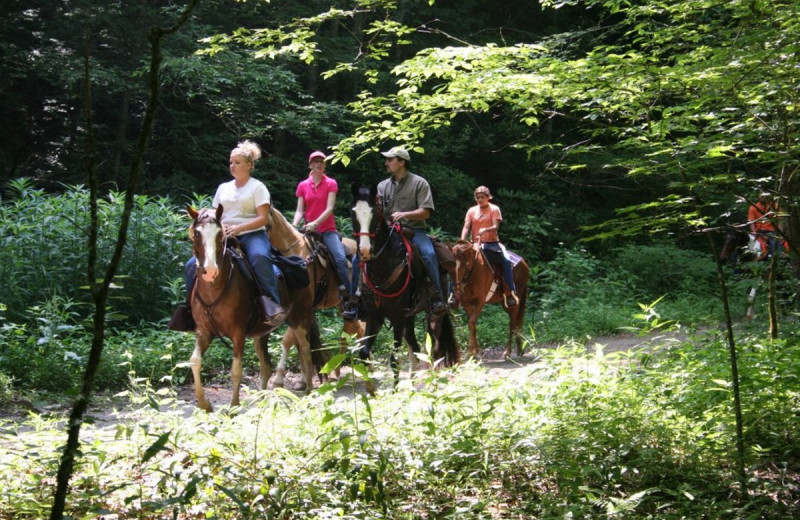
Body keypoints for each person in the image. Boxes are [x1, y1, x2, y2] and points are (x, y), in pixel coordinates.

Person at [183, 140, 286, 328]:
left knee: (259, 257)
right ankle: (189, 310)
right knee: (191, 264)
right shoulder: (223, 188)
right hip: (224, 236)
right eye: (231, 162)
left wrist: (239, 228)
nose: (232, 166)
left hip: (253, 234)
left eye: (237, 162)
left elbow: (263, 218)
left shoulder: (258, 187)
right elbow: (214, 216)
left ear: (249, 165)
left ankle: (272, 306)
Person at [377, 146, 447, 314]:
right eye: (386, 159)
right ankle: (357, 298)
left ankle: (436, 297)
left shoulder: (419, 183)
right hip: (389, 232)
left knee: (429, 255)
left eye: (390, 159)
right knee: (362, 255)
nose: (386, 163)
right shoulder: (382, 186)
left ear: (402, 162)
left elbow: (426, 211)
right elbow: (380, 213)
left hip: (415, 231)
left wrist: (404, 215)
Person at [292, 150, 358, 320]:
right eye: (315, 161)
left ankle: (347, 293)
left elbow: (329, 209)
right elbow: (300, 210)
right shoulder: (302, 185)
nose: (318, 164)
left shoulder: (331, 183)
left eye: (321, 161)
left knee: (340, 258)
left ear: (324, 165)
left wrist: (315, 223)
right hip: (308, 231)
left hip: (327, 231)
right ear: (310, 165)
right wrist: (293, 224)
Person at [460, 186, 518, 307]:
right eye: (477, 197)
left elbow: (495, 226)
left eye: (482, 197)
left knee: (506, 261)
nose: (480, 199)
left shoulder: (494, 209)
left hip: (492, 243)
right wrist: (462, 240)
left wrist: (485, 229)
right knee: (458, 262)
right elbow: (466, 226)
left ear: (488, 197)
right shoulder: (471, 210)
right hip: (475, 244)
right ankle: (453, 295)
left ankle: (510, 292)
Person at [748, 192, 784, 258]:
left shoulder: (775, 206)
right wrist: (755, 234)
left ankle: (779, 260)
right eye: (761, 195)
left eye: (764, 195)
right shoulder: (753, 207)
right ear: (758, 196)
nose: (762, 197)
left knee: (776, 248)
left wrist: (781, 234)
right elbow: (751, 222)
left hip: (771, 231)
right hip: (758, 231)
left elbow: (779, 221)